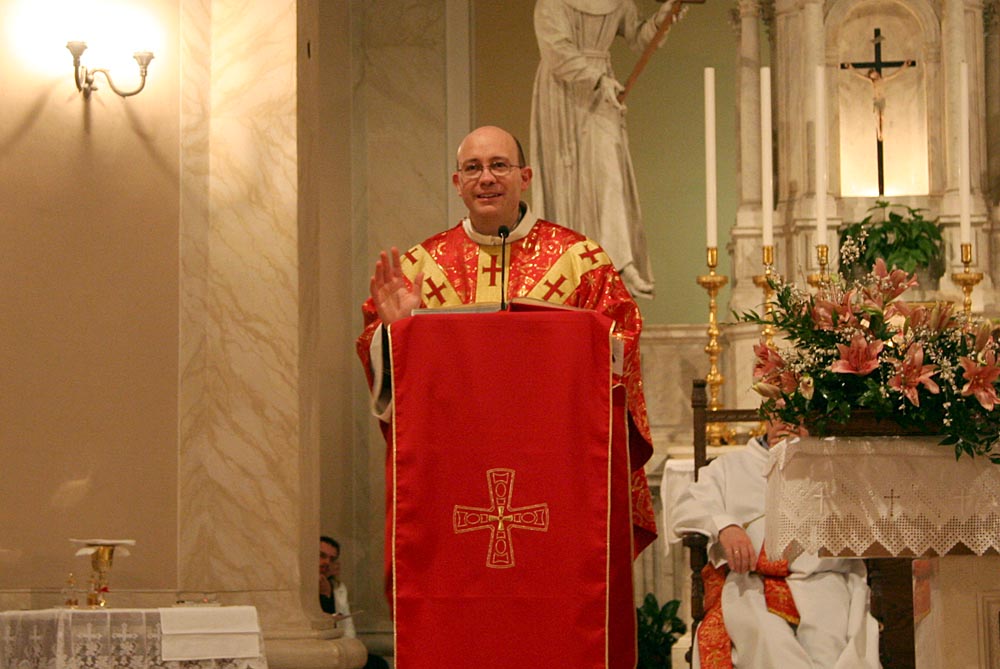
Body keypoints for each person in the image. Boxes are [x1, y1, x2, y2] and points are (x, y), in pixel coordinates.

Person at [355, 125, 658, 574]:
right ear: (457, 183)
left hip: (556, 471)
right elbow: (381, 363)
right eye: (472, 168)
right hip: (456, 476)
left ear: (525, 177)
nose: (486, 178)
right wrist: (396, 334)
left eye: (499, 165)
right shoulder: (421, 267)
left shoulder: (580, 260)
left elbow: (622, 347)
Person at [671, 423, 881, 668]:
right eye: (777, 411)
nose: (786, 422)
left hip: (823, 580)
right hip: (751, 584)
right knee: (769, 641)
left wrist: (809, 452)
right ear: (766, 415)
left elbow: (872, 515)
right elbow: (688, 506)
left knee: (829, 651)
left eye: (795, 414)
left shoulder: (834, 464)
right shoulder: (730, 466)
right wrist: (725, 526)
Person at [530, 0, 679, 300]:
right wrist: (597, 79)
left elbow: (639, 38)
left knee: (610, 171)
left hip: (602, 90)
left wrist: (664, 16)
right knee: (568, 181)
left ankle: (619, 263)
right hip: (563, 91)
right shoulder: (552, 3)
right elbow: (556, 49)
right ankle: (570, 269)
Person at [319, 536, 389, 669]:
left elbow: (347, 627)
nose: (326, 562)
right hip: (317, 647)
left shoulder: (338, 587)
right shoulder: (301, 586)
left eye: (332, 559)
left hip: (338, 645)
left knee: (377, 664)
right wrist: (324, 595)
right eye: (322, 556)